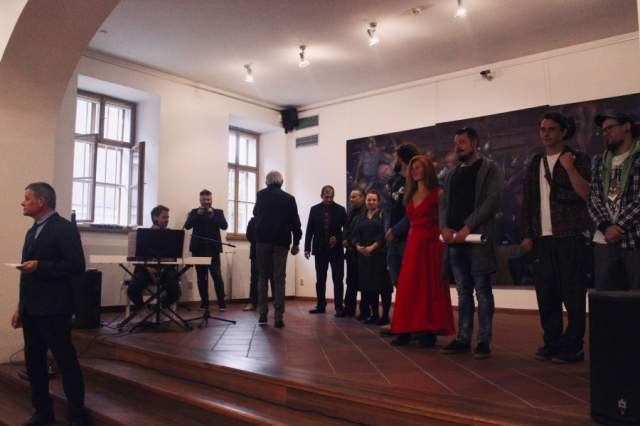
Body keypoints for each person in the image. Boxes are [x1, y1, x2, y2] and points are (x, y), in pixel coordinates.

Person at [11, 182, 89, 425]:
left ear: (41, 201)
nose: (23, 203)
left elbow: (76, 266)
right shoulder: (32, 231)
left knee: (66, 362)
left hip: (54, 309)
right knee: (34, 364)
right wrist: (20, 306)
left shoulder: (64, 228)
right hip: (32, 310)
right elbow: (26, 275)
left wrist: (41, 266)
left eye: (27, 198)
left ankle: (77, 413)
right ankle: (43, 412)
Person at [520, 113, 591, 364]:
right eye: (543, 129)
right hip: (542, 238)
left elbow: (586, 193)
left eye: (551, 129)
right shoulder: (534, 162)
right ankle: (551, 342)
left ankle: (573, 346)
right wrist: (527, 233)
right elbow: (528, 200)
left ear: (563, 132)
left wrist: (569, 168)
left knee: (573, 293)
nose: (546, 134)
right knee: (546, 293)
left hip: (570, 234)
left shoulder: (577, 158)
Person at [440, 127, 504, 360]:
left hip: (478, 240)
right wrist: (444, 227)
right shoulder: (451, 174)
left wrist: (467, 227)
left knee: (483, 291)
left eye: (462, 142)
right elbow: (444, 204)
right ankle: (463, 338)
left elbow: (492, 201)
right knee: (463, 291)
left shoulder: (491, 168)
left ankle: (483, 341)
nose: (457, 147)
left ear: (475, 143)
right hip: (455, 242)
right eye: (456, 143)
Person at [390, 156, 455, 347]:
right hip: (413, 244)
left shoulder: (438, 193)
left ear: (427, 170)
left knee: (428, 287)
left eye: (418, 167)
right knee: (408, 286)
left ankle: (427, 330)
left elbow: (444, 220)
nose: (414, 171)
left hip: (431, 245)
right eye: (412, 168)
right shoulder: (410, 195)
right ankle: (404, 329)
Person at [588, 111, 640, 290]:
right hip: (604, 242)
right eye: (603, 130)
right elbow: (593, 197)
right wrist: (605, 226)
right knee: (606, 298)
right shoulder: (600, 161)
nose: (606, 133)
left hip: (634, 240)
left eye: (610, 128)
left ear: (627, 126)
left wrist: (619, 227)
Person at [253, 171, 302, 328]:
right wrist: (296, 242)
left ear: (267, 182)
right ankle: (278, 317)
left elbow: (255, 214)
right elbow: (295, 222)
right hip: (281, 242)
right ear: (281, 182)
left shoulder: (260, 195)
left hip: (262, 241)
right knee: (279, 278)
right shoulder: (289, 198)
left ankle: (262, 315)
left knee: (262, 277)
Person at [383, 143, 420, 329]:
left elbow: (414, 212)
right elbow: (388, 208)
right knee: (397, 281)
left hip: (408, 237)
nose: (393, 160)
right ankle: (402, 321)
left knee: (411, 283)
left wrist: (395, 230)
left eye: (396, 156)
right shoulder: (395, 180)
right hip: (392, 239)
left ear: (403, 158)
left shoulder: (416, 181)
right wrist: (387, 230)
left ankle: (414, 323)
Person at [304, 185, 347, 316]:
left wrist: (338, 238)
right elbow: (309, 230)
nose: (329, 199)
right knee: (320, 279)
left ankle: (339, 307)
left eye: (331, 197)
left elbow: (347, 230)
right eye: (326, 197)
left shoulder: (341, 210)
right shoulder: (314, 209)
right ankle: (320, 305)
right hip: (320, 249)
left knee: (338, 279)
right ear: (321, 196)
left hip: (336, 250)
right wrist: (307, 248)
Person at [127, 205, 181, 310]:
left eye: (168, 217)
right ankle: (144, 311)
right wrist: (148, 268)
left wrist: (163, 268)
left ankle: (160, 308)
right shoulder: (143, 234)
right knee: (132, 290)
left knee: (176, 292)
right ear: (155, 217)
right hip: (146, 269)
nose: (167, 220)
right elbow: (136, 257)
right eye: (164, 217)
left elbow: (174, 257)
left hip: (166, 270)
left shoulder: (171, 235)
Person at [352, 190, 393, 324]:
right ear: (365, 201)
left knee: (384, 288)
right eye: (369, 200)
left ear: (378, 202)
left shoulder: (383, 215)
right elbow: (355, 234)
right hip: (365, 257)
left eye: (374, 200)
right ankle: (374, 315)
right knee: (370, 288)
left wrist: (373, 246)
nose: (371, 202)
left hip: (380, 256)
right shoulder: (360, 217)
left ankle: (385, 316)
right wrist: (358, 246)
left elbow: (384, 234)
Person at [184, 189, 228, 312]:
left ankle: (221, 302)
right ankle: (204, 303)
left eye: (208, 199)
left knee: (217, 276)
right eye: (204, 200)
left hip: (213, 249)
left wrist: (212, 215)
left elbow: (224, 226)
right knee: (201, 277)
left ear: (211, 199)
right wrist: (198, 214)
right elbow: (187, 226)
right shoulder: (194, 212)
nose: (206, 202)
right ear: (200, 200)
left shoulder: (218, 212)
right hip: (198, 249)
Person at [342, 189, 365, 317]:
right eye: (351, 197)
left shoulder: (366, 212)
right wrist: (344, 239)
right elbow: (346, 228)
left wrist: (351, 242)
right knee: (350, 281)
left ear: (362, 197)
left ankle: (364, 310)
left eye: (354, 197)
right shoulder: (351, 212)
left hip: (361, 252)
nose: (351, 200)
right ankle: (349, 308)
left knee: (363, 282)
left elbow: (360, 231)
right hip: (351, 252)